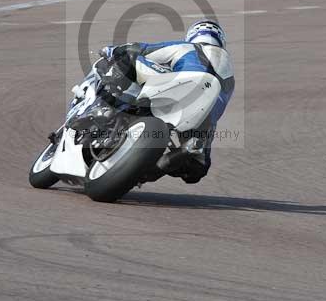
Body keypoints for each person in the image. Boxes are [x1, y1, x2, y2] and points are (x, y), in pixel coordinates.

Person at [98, 20, 234, 184]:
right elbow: (218, 109)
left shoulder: (188, 47)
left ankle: (109, 106)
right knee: (197, 167)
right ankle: (166, 161)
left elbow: (143, 49)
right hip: (200, 116)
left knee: (129, 58)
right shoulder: (230, 76)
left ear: (193, 36)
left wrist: (112, 51)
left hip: (176, 89)